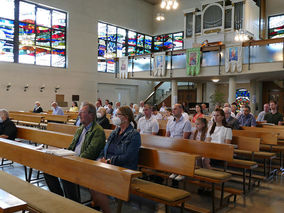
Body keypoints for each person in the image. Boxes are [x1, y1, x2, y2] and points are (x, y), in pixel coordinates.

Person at [44, 103, 105, 202]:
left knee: (66, 174)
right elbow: (71, 147)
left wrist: (74, 161)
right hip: (73, 159)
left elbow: (90, 153)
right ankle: (59, 199)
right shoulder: (80, 129)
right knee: (47, 170)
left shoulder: (98, 131)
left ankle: (73, 202)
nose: (79, 115)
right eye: (79, 112)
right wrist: (62, 153)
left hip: (85, 163)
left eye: (83, 112)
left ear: (92, 115)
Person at [92, 106, 141, 213]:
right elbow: (104, 149)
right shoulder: (115, 132)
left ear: (126, 117)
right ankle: (101, 206)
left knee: (96, 182)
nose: (114, 117)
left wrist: (109, 161)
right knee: (89, 176)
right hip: (109, 165)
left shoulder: (134, 135)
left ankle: (106, 209)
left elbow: (128, 157)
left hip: (124, 168)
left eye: (117, 115)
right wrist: (100, 159)